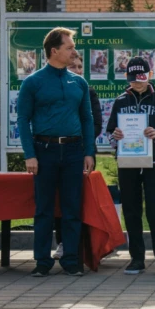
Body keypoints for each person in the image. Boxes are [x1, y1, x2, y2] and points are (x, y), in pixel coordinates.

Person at [17, 27, 95, 277]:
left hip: (73, 150)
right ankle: (42, 261)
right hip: (44, 150)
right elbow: (22, 120)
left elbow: (87, 119)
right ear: (54, 51)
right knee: (44, 209)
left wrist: (89, 151)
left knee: (73, 208)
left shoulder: (79, 82)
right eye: (70, 47)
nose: (74, 51)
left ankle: (71, 260)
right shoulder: (33, 82)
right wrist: (29, 154)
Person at [106, 57, 155, 276]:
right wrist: (115, 137)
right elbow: (110, 133)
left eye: (141, 78)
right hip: (127, 162)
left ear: (150, 75)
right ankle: (136, 258)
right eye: (133, 79)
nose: (137, 83)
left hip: (154, 160)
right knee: (131, 209)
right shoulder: (120, 101)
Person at [53, 52, 102, 260]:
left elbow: (97, 124)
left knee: (83, 201)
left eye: (80, 67)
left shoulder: (88, 92)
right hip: (58, 153)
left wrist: (77, 139)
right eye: (74, 67)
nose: (78, 71)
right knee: (61, 201)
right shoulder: (55, 91)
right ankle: (64, 243)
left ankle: (88, 243)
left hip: (83, 153)